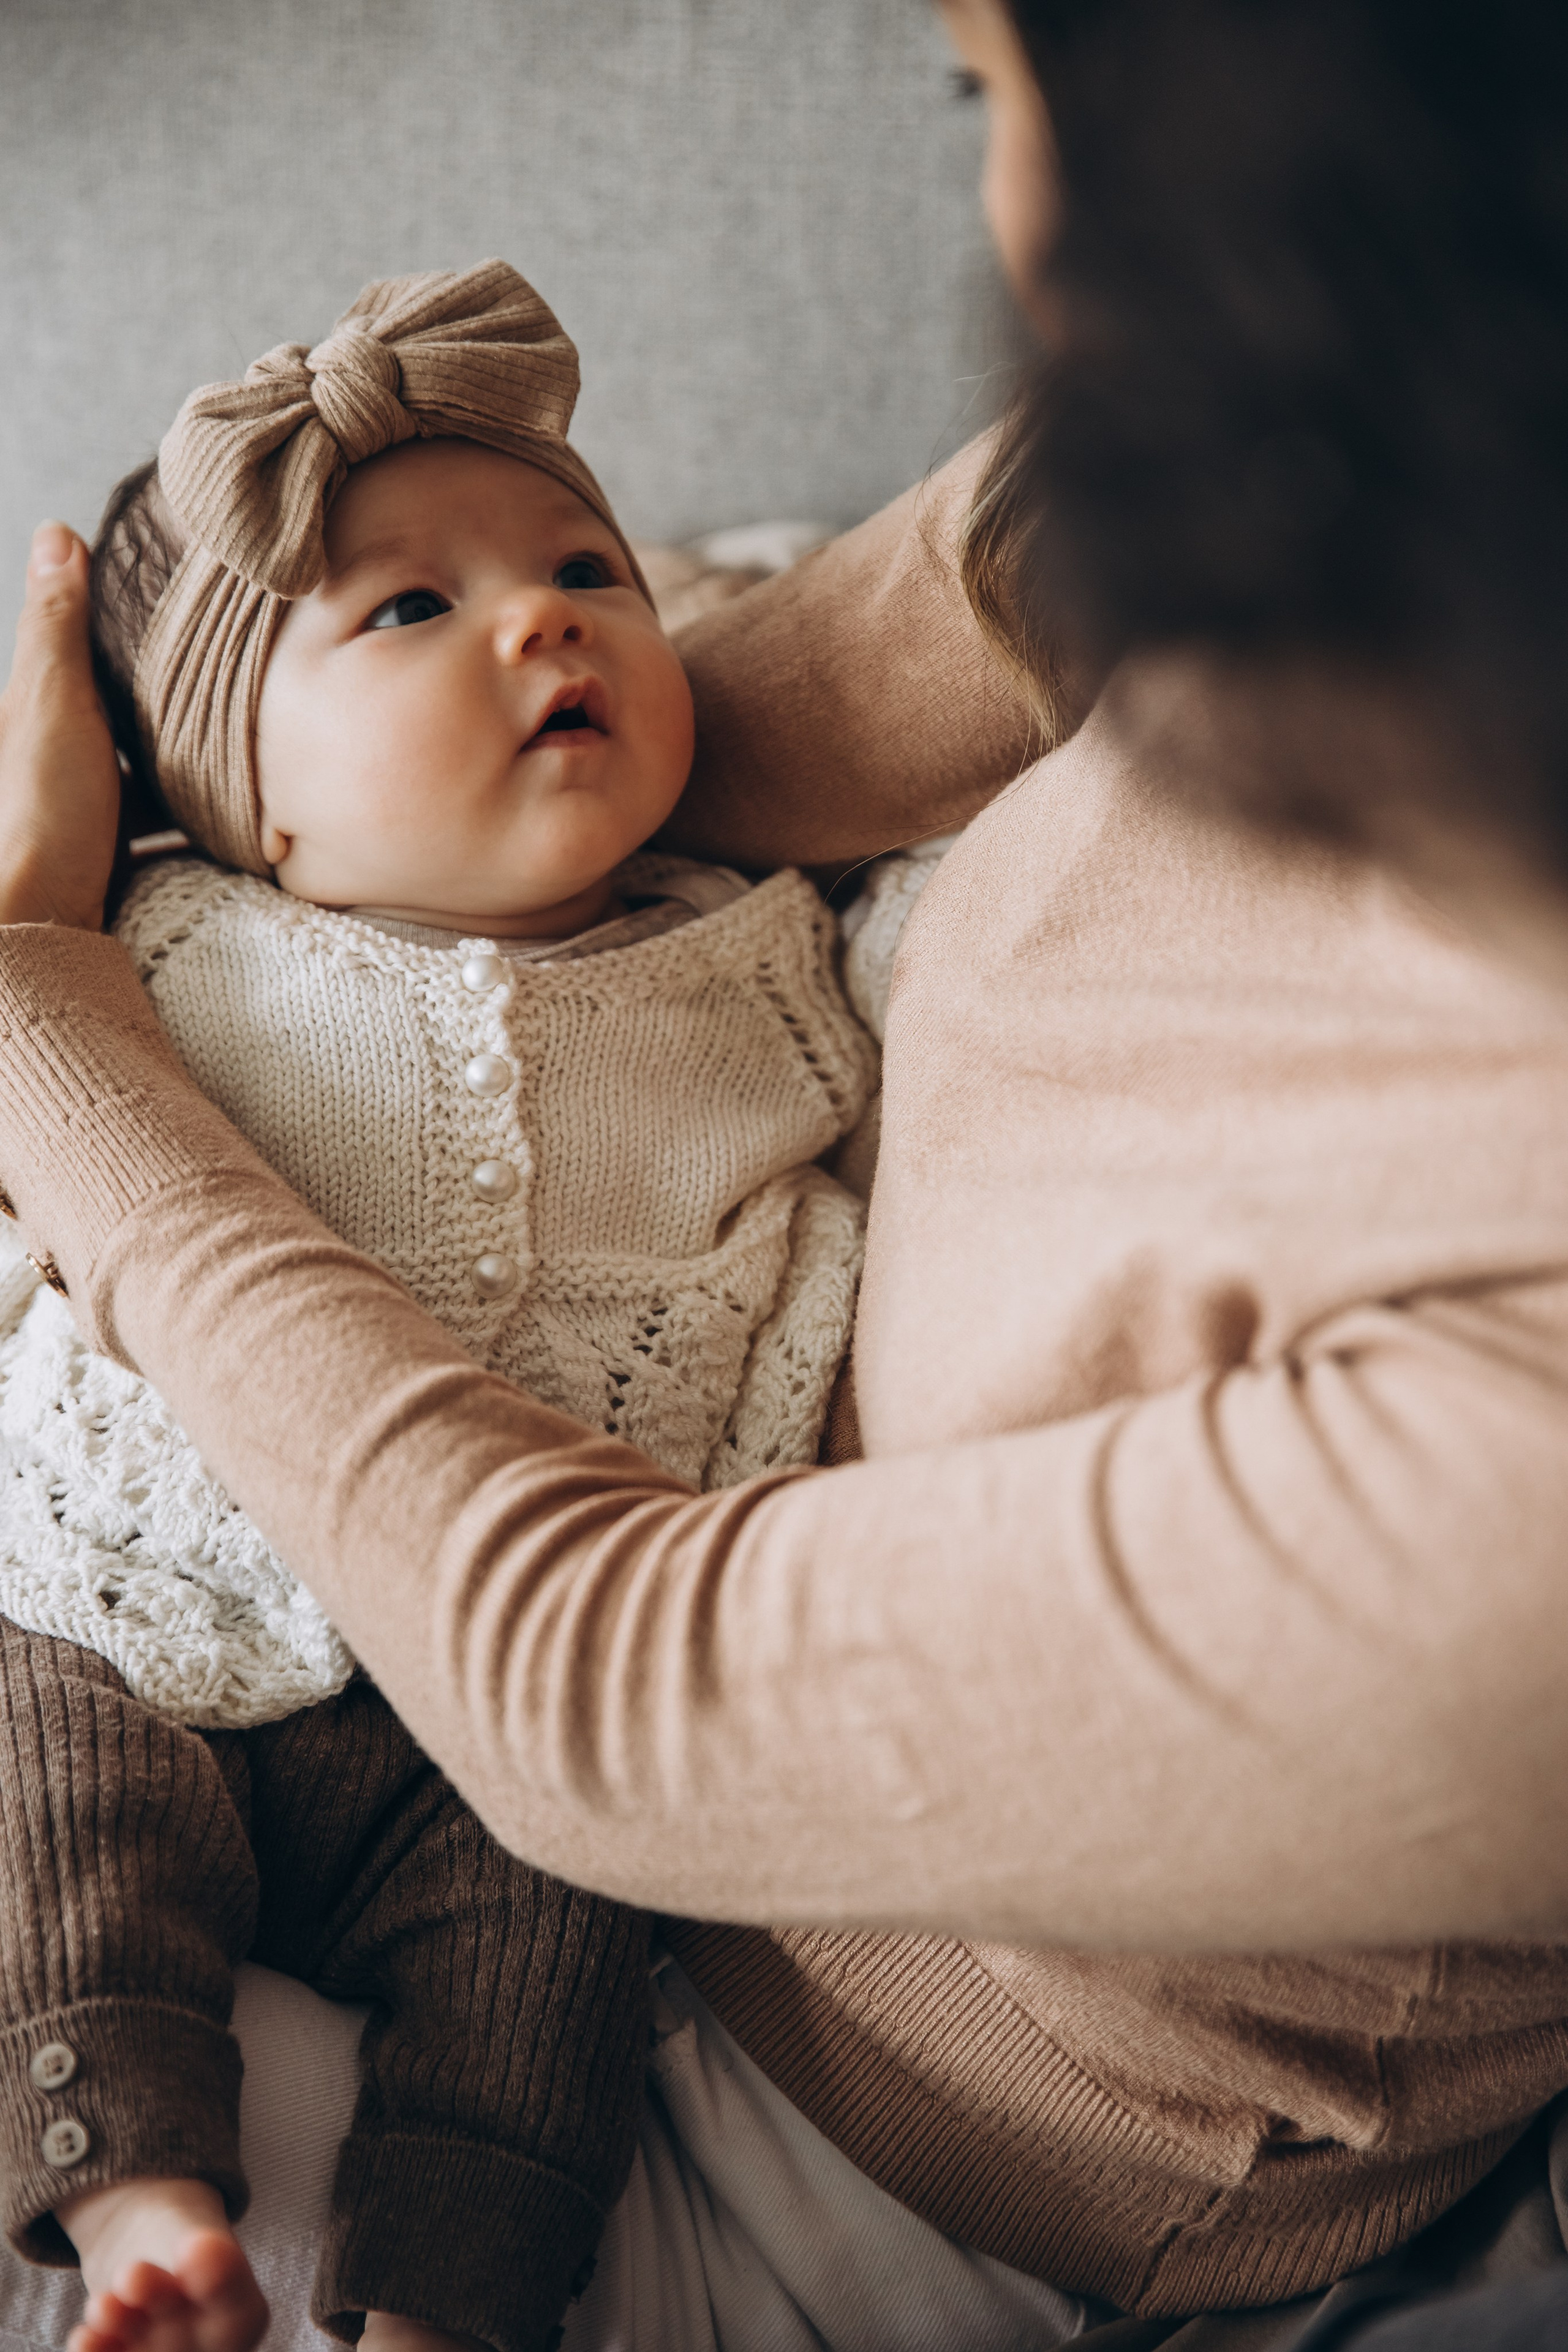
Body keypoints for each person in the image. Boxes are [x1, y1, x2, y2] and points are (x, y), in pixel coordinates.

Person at [2, 0, 1568, 2345]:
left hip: (862, 2080)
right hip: (403, 1622)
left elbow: (599, 1699)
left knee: (491, 1976)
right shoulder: (1309, 449)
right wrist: (471, 795)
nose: (1014, 229)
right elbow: (855, 663)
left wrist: (30, 986)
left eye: (1005, 108)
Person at [0, 259, 876, 2352]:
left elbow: (800, 1261)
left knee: (562, 1932)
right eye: (409, 608)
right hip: (129, 1584)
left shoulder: (769, 966)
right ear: (243, 798)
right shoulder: (154, 942)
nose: (548, 615)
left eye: (590, 567)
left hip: (493, 1677)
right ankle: (138, 2209)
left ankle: (442, 2307)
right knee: (48, 1792)